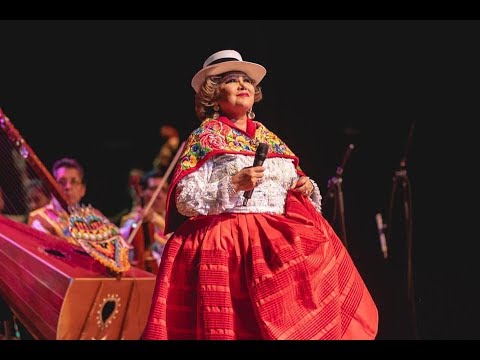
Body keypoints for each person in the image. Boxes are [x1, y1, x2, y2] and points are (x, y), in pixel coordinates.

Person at [142, 50, 378, 340]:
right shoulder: (205, 137)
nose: (243, 85)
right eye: (232, 80)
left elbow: (292, 179)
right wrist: (233, 183)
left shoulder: (267, 137)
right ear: (214, 95)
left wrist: (303, 186)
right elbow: (185, 199)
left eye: (247, 81)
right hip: (229, 246)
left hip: (273, 248)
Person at [119, 169, 170, 273]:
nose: (159, 195)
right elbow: (122, 240)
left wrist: (155, 218)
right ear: (142, 191)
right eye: (154, 189)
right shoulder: (133, 220)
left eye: (164, 190)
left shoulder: (174, 222)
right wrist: (139, 221)